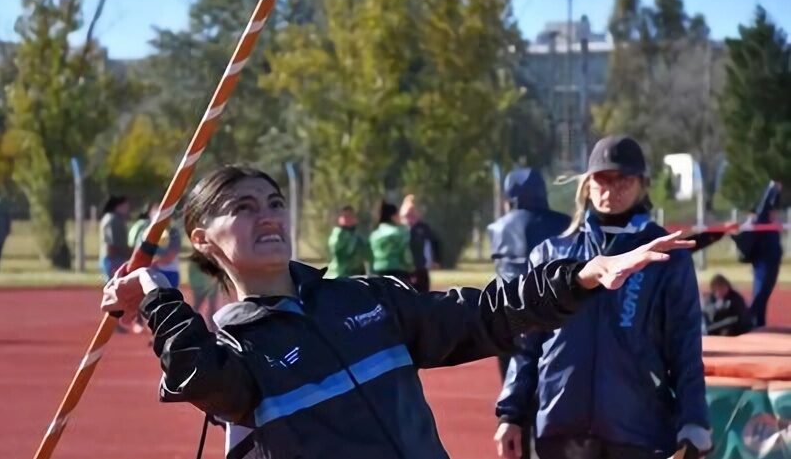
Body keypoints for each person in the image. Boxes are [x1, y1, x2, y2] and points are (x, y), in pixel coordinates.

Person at [100, 165, 691, 459]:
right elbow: (197, 375)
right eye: (244, 207)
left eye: (275, 202)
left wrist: (582, 275)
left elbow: (487, 312)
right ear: (203, 240)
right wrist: (156, 291)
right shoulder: (236, 354)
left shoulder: (366, 300)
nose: (269, 216)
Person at [494, 136, 711, 459]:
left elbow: (685, 345)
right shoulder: (550, 253)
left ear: (642, 185)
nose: (612, 189)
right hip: (559, 429)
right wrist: (511, 413)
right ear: (587, 185)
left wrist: (694, 423)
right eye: (602, 178)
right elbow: (528, 345)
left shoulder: (667, 256)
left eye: (623, 179)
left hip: (639, 430)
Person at [487, 167, 571, 379]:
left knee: (511, 382)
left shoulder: (497, 228)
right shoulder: (566, 223)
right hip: (555, 312)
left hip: (510, 313)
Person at [732, 180, 783, 327]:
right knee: (759, 295)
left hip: (771, 265)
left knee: (764, 295)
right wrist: (772, 189)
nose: (775, 212)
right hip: (763, 265)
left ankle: (759, 322)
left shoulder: (771, 224)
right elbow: (764, 205)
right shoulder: (762, 220)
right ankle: (751, 322)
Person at [399, 195, 441, 293]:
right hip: (403, 269)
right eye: (407, 216)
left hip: (420, 267)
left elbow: (434, 244)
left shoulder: (423, 229)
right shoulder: (399, 231)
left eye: (412, 215)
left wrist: (436, 260)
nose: (409, 219)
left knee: (423, 293)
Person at [369, 201, 413, 285]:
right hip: (397, 271)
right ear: (393, 216)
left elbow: (370, 256)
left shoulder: (374, 235)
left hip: (378, 271)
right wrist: (411, 269)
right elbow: (405, 254)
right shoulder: (401, 232)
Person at [327, 205, 369, 277]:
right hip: (339, 275)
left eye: (351, 216)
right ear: (339, 219)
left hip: (356, 276)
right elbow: (337, 247)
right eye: (345, 216)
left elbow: (365, 255)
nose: (348, 219)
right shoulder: (337, 234)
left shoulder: (358, 236)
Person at [99, 195, 131, 280]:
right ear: (118, 206)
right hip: (114, 260)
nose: (127, 209)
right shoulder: (113, 219)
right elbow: (112, 244)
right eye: (125, 206)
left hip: (110, 258)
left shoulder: (110, 218)